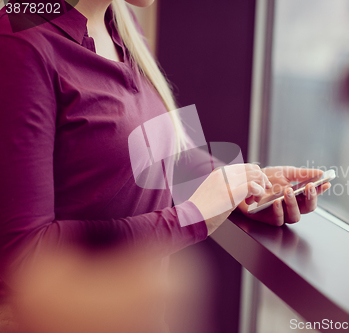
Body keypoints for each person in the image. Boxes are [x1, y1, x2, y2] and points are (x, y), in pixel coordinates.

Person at [0, 0, 331, 318]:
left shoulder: (120, 20)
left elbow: (152, 154)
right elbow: (25, 254)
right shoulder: (18, 45)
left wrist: (240, 185)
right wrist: (194, 216)